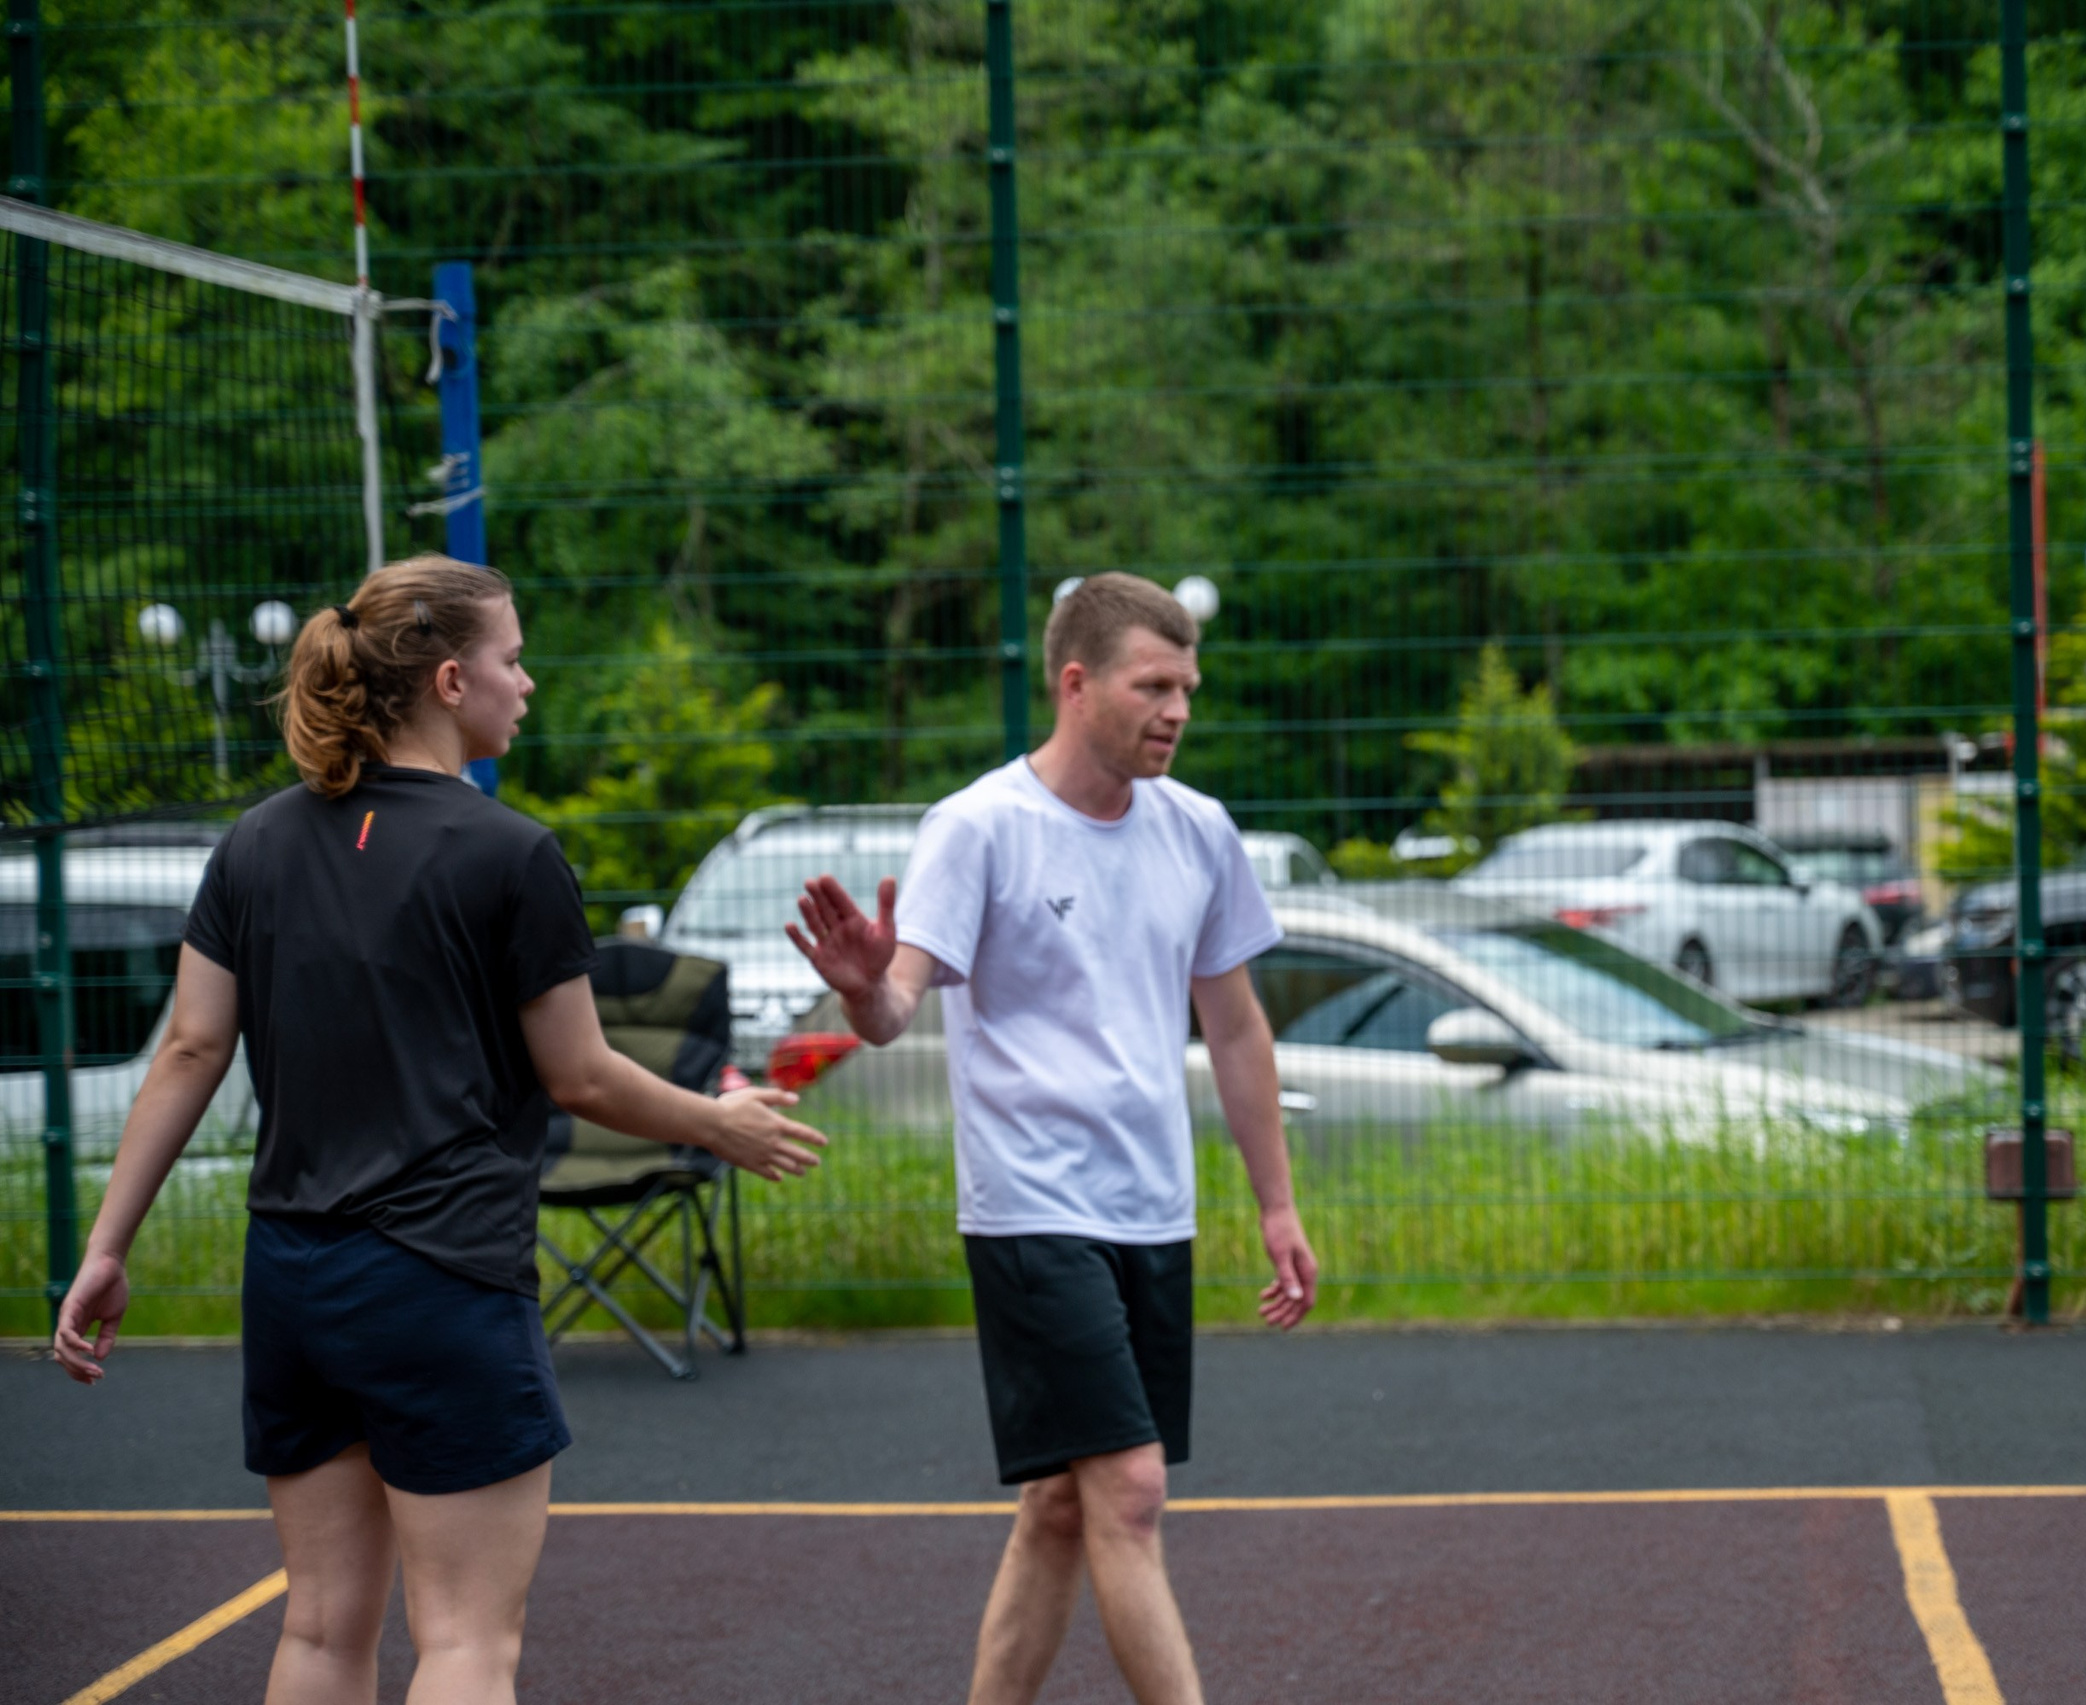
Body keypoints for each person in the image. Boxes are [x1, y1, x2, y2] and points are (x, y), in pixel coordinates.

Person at [51, 555, 826, 1705]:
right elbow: (581, 1077)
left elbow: (189, 1053)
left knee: (319, 1632)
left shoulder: (256, 844)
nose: (529, 681)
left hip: (293, 1281)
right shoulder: (508, 853)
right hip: (441, 1277)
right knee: (464, 1643)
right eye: (513, 659)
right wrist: (718, 1123)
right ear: (453, 680)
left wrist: (106, 1246)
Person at [790, 571, 1317, 1705]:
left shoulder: (1200, 832)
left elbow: (1233, 1028)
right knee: (1128, 1490)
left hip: (1151, 1206)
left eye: (1188, 687)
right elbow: (894, 1011)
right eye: (1153, 685)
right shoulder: (979, 828)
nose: (1177, 708)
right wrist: (860, 988)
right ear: (1076, 685)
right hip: (1030, 1205)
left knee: (1063, 1503)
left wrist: (1276, 1204)